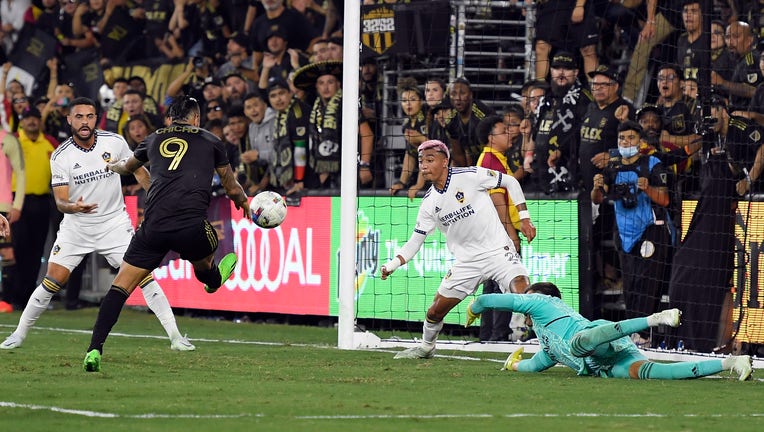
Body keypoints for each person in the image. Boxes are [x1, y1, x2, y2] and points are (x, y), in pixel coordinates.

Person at [0, 97, 194, 351]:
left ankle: (176, 337)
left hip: (114, 224)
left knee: (143, 276)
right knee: (53, 280)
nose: (84, 122)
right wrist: (74, 207)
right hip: (77, 226)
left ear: (95, 119)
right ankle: (18, 334)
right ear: (70, 120)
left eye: (89, 116)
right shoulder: (61, 155)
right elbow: (60, 201)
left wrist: (158, 200)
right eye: (78, 117)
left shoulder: (115, 142)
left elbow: (138, 171)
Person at [82, 96, 250, 372]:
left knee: (120, 288)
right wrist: (243, 202)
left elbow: (128, 168)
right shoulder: (211, 140)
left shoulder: (154, 138)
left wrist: (113, 166)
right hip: (191, 228)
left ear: (170, 119)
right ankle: (213, 278)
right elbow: (231, 187)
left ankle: (94, 350)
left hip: (154, 227)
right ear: (196, 119)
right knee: (206, 257)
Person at [380, 140, 536, 359]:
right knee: (435, 311)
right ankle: (426, 346)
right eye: (422, 161)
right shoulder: (428, 204)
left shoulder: (470, 176)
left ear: (445, 162)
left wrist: (524, 218)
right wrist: (392, 265)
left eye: (430, 160)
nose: (424, 166)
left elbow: (510, 181)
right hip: (467, 263)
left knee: (523, 291)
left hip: (498, 251)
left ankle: (544, 336)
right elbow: (415, 242)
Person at [466, 282, 754, 381]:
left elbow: (495, 300)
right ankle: (732, 363)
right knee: (659, 373)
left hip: (599, 333)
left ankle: (655, 319)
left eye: (530, 299)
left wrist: (475, 307)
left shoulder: (544, 303)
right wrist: (514, 365)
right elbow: (535, 365)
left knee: (580, 344)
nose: (525, 305)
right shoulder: (549, 345)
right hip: (609, 361)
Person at [592, 121, 673, 346]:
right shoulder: (613, 168)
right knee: (630, 284)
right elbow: (598, 199)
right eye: (622, 139)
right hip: (624, 233)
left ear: (640, 141)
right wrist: (596, 186)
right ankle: (633, 332)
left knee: (648, 284)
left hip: (651, 230)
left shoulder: (653, 164)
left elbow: (665, 200)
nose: (626, 143)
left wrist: (647, 188)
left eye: (631, 138)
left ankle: (646, 335)